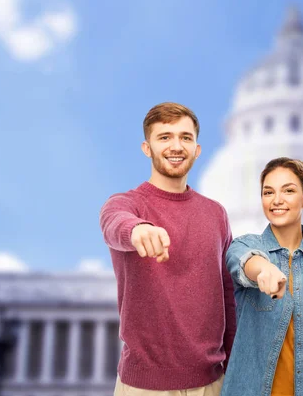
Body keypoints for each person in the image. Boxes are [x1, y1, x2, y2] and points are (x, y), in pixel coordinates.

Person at [100, 102, 236, 396]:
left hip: (212, 384)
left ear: (197, 149)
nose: (176, 146)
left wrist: (236, 370)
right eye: (164, 137)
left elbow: (228, 296)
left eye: (185, 137)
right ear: (146, 148)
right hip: (144, 387)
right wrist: (137, 230)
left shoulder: (216, 214)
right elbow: (113, 223)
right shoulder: (126, 203)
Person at [220, 157, 303, 396]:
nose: (277, 200)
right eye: (268, 192)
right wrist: (264, 269)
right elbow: (243, 262)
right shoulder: (244, 245)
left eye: (289, 191)